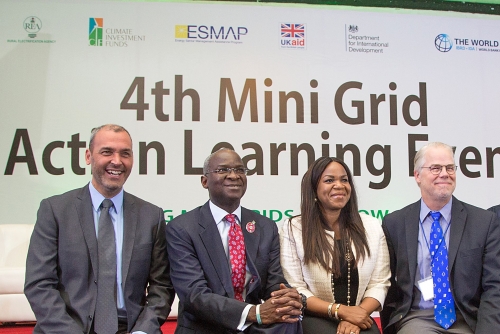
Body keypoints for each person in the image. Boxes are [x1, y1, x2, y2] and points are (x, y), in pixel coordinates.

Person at [24, 124, 174, 334]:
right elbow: (39, 284)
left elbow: (162, 287)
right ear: (88, 156)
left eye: (125, 154)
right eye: (107, 152)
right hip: (67, 328)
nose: (117, 161)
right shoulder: (55, 210)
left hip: (130, 328)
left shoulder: (151, 216)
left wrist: (143, 331)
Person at [165, 148, 303, 334]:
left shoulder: (265, 226)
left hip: (254, 327)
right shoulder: (182, 228)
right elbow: (194, 295)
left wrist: (285, 296)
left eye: (240, 170)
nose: (234, 176)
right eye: (223, 170)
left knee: (290, 319)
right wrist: (254, 312)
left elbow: (273, 281)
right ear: (204, 181)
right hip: (205, 326)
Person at [381, 142, 500, 334]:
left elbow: (494, 287)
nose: (445, 173)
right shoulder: (394, 223)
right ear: (417, 176)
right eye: (435, 168)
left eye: (450, 167)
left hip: (468, 320)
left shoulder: (484, 222)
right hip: (417, 318)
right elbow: (388, 286)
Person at [280, 157, 390, 334]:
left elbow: (380, 282)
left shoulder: (372, 226)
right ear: (314, 188)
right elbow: (295, 287)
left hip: (360, 315)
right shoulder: (294, 229)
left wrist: (358, 315)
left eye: (344, 180)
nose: (339, 185)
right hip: (313, 316)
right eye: (329, 180)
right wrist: (342, 311)